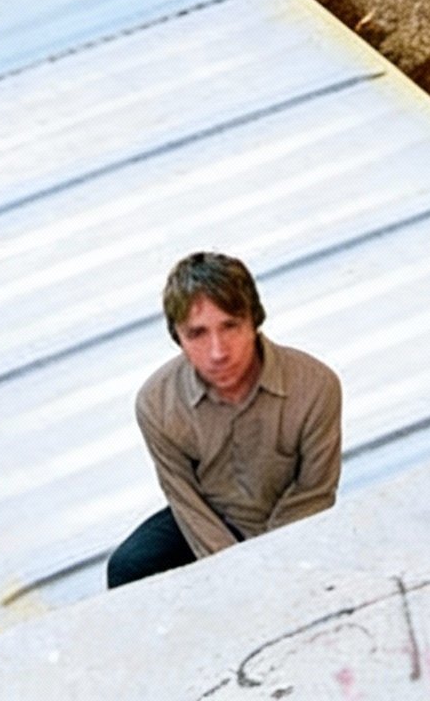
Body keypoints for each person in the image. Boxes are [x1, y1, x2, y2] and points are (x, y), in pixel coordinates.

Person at [104, 252, 343, 589]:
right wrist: (235, 570)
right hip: (211, 518)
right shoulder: (157, 402)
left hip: (293, 520)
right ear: (178, 337)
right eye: (197, 334)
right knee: (130, 566)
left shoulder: (316, 384)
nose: (218, 352)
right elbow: (185, 499)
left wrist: (274, 561)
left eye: (230, 326)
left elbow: (314, 492)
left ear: (254, 321)